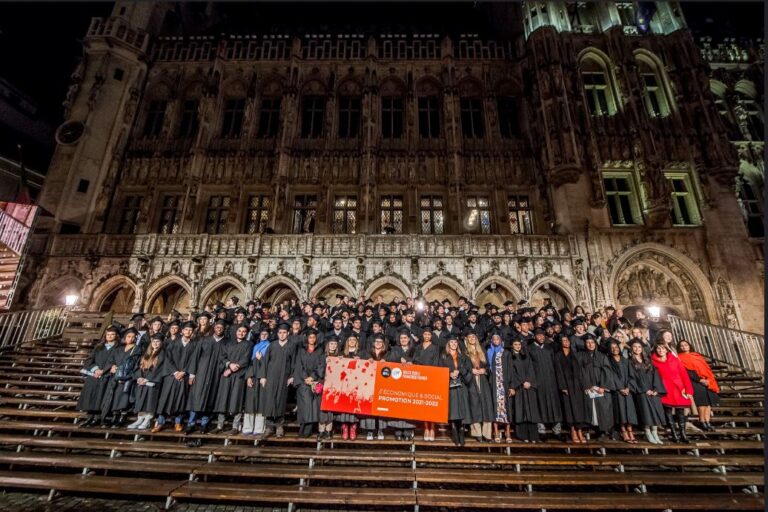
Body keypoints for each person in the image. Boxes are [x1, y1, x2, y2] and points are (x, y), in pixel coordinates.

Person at [153, 321, 198, 433]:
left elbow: (194, 361)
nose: (188, 331)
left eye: (190, 330)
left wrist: (184, 372)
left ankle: (178, 422)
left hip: (184, 376)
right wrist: (175, 372)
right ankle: (160, 422)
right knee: (165, 399)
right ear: (182, 331)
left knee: (181, 399)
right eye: (186, 329)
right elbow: (167, 359)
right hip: (171, 376)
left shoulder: (195, 345)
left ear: (193, 332)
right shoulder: (172, 343)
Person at [187, 319, 230, 434]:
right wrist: (192, 375)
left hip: (216, 375)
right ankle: (191, 424)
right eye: (217, 327)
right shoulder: (204, 340)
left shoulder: (227, 343)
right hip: (201, 374)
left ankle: (204, 424)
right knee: (196, 398)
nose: (219, 329)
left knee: (210, 399)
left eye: (221, 328)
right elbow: (195, 357)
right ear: (214, 328)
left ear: (224, 329)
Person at [76, 325, 120, 427]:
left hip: (106, 375)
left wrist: (104, 371)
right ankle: (89, 417)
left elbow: (115, 361)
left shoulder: (118, 348)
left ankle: (97, 418)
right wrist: (95, 369)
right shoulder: (99, 347)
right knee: (91, 396)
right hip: (94, 375)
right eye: (108, 334)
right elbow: (90, 360)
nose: (110, 336)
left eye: (112, 334)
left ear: (116, 336)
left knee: (101, 396)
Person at [652, 343, 694, 443]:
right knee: (668, 412)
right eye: (658, 348)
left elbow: (684, 374)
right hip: (665, 389)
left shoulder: (674, 360)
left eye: (663, 348)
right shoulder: (653, 362)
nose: (661, 350)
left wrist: (688, 390)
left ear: (667, 350)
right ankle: (674, 434)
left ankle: (683, 434)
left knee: (680, 411)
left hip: (678, 388)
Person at [215, 325, 253, 434]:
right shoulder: (228, 343)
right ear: (236, 332)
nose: (241, 333)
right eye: (239, 331)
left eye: (244, 331)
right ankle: (220, 425)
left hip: (239, 375)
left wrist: (232, 369)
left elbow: (246, 359)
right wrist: (229, 364)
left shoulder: (249, 344)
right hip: (227, 376)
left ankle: (235, 427)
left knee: (237, 400)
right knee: (223, 400)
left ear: (246, 333)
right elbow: (222, 357)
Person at [261, 324, 297, 439]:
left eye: (284, 333)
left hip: (284, 377)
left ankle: (279, 426)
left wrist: (292, 376)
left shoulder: (292, 346)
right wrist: (263, 376)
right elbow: (265, 361)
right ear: (277, 334)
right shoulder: (272, 345)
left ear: (288, 333)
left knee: (280, 400)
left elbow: (294, 362)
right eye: (280, 333)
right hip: (271, 376)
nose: (282, 335)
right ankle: (269, 427)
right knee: (269, 400)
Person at [101, 327, 142, 428]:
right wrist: (112, 366)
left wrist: (129, 376)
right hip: (116, 376)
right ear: (125, 337)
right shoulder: (118, 349)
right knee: (114, 397)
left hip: (128, 378)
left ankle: (122, 418)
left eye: (133, 337)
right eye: (128, 336)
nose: (131, 338)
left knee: (124, 398)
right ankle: (114, 416)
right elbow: (111, 360)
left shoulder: (137, 349)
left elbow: (137, 364)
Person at [627, 340, 666, 444]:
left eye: (639, 347)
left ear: (642, 349)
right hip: (641, 391)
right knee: (646, 412)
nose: (637, 349)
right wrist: (644, 389)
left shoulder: (648, 360)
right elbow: (632, 377)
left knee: (656, 410)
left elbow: (655, 375)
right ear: (631, 349)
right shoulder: (629, 362)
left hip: (653, 390)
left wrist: (656, 390)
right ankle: (648, 432)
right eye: (634, 347)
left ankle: (655, 433)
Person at [553, 335, 589, 443]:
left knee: (579, 408)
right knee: (569, 408)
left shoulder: (574, 354)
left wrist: (583, 385)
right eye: (564, 340)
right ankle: (573, 431)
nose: (566, 342)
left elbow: (580, 371)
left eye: (567, 340)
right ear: (560, 343)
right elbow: (558, 371)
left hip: (577, 385)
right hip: (566, 385)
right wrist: (562, 386)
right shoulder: (558, 355)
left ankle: (579, 431)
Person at [677, 340, 720, 431]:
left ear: (689, 346)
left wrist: (708, 379)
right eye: (682, 345)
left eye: (686, 345)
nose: (684, 347)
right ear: (679, 348)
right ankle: (702, 421)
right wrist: (700, 380)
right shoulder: (680, 358)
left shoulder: (696, 355)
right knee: (702, 402)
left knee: (708, 403)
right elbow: (686, 371)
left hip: (707, 380)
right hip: (695, 380)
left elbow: (706, 368)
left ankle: (707, 421)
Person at [527, 328, 562, 439]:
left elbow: (555, 365)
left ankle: (557, 430)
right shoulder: (530, 349)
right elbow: (529, 366)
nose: (541, 337)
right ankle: (541, 430)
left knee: (554, 405)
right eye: (539, 335)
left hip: (551, 381)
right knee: (540, 404)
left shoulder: (549, 348)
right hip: (538, 381)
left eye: (543, 335)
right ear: (534, 337)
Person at [578, 335, 614, 440]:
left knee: (602, 409)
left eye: (592, 342)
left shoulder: (602, 356)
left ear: (595, 344)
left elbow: (607, 372)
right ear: (585, 344)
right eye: (588, 342)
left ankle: (603, 431)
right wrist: (586, 385)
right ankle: (589, 430)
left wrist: (603, 386)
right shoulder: (580, 356)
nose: (590, 344)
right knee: (590, 409)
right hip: (588, 388)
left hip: (600, 388)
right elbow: (580, 372)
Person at [128, 333, 165, 430]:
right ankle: (139, 419)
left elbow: (160, 369)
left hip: (152, 381)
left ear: (161, 343)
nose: (155, 343)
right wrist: (139, 377)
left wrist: (148, 379)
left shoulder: (163, 354)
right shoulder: (146, 353)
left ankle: (148, 420)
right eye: (154, 341)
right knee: (140, 400)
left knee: (150, 401)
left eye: (158, 342)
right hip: (142, 380)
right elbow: (138, 367)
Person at [439, 336, 471, 446]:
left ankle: (461, 430)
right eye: (451, 342)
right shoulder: (443, 356)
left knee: (462, 408)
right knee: (452, 409)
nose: (453, 344)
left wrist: (460, 371)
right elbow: (440, 370)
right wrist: (449, 373)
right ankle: (454, 431)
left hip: (461, 385)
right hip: (450, 386)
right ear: (448, 344)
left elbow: (468, 370)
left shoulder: (463, 357)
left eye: (455, 342)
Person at [293, 329, 325, 438]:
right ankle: (303, 427)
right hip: (302, 381)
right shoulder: (301, 350)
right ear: (307, 338)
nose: (312, 339)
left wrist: (312, 377)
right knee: (304, 405)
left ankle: (308, 428)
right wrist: (305, 377)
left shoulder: (319, 351)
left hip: (314, 382)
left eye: (313, 337)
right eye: (310, 337)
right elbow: (299, 365)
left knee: (312, 406)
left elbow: (321, 365)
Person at [606, 339, 638, 443]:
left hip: (627, 390)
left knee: (629, 412)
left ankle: (630, 431)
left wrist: (628, 388)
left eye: (616, 347)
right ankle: (623, 431)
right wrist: (620, 388)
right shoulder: (608, 361)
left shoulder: (626, 361)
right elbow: (610, 377)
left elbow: (631, 376)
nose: (614, 349)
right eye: (612, 348)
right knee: (620, 412)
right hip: (617, 391)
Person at [509, 338, 541, 442]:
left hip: (529, 386)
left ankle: (533, 436)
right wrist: (521, 382)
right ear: (512, 346)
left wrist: (529, 381)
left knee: (531, 411)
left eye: (519, 344)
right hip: (519, 388)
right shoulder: (510, 357)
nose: (517, 346)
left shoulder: (526, 356)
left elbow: (531, 369)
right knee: (521, 411)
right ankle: (523, 436)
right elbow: (511, 373)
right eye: (515, 344)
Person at [464, 333, 494, 442]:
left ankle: (487, 434)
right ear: (467, 339)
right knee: (474, 405)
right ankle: (477, 433)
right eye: (470, 337)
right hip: (472, 381)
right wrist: (471, 371)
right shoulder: (465, 353)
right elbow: (462, 367)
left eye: (474, 337)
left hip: (483, 380)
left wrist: (484, 370)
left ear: (476, 339)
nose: (472, 338)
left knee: (486, 405)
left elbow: (489, 366)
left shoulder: (482, 351)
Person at [359, 335, 389, 440]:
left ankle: (380, 430)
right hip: (369, 383)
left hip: (382, 384)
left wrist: (386, 361)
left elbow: (394, 362)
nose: (378, 343)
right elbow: (358, 360)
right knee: (369, 406)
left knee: (381, 407)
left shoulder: (387, 354)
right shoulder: (367, 353)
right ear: (373, 343)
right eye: (376, 341)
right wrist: (366, 360)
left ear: (383, 344)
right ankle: (370, 431)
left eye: (380, 341)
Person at [486, 333, 513, 443]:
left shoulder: (506, 353)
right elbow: (488, 368)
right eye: (494, 339)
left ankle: (508, 433)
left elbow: (510, 369)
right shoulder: (489, 352)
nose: (496, 340)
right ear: (491, 341)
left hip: (504, 384)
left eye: (498, 339)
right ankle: (496, 432)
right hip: (494, 384)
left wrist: (511, 385)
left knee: (506, 408)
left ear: (501, 341)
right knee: (495, 408)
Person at [413, 330, 440, 441]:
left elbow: (436, 362)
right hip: (421, 377)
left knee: (431, 404)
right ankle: (425, 428)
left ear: (431, 336)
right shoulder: (418, 347)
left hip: (431, 377)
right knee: (423, 404)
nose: (427, 336)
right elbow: (414, 360)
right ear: (422, 335)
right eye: (425, 334)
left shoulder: (435, 348)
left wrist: (431, 374)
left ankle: (432, 428)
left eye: (429, 334)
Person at [318, 335, 341, 439]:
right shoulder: (322, 356)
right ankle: (321, 430)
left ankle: (328, 430)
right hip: (324, 384)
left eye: (335, 344)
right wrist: (325, 363)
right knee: (323, 409)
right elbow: (319, 372)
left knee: (330, 409)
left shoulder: (339, 357)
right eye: (331, 343)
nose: (333, 345)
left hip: (334, 386)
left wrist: (341, 362)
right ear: (328, 345)